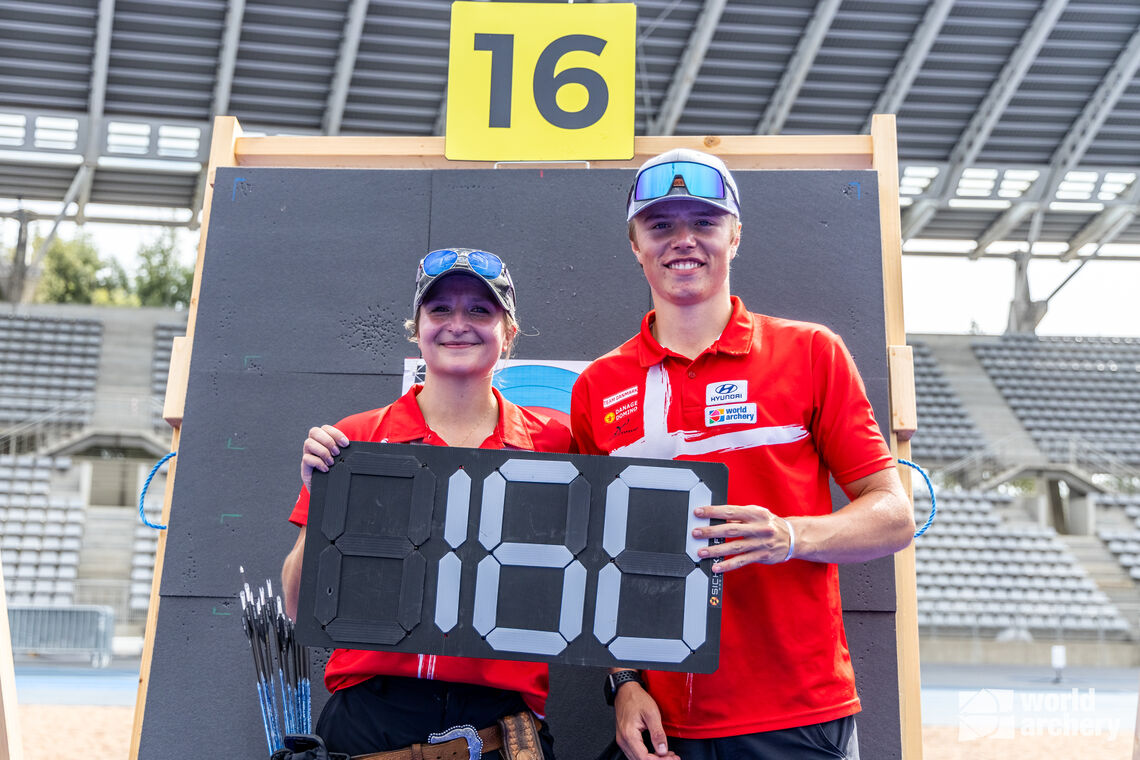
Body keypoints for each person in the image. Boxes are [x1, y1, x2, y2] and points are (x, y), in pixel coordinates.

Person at [569, 150, 915, 760]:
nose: (684, 242)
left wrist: (789, 535)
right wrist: (623, 682)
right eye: (661, 225)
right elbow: (597, 562)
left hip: (799, 716)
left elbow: (893, 515)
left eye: (704, 222)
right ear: (635, 243)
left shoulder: (812, 352)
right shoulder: (598, 385)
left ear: (735, 234)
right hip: (662, 725)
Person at [282, 248, 569, 759]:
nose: (458, 325)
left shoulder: (558, 444)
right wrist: (325, 498)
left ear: (510, 332)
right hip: (370, 719)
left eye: (480, 311)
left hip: (500, 724)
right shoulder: (354, 441)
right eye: (440, 310)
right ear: (416, 328)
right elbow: (299, 606)